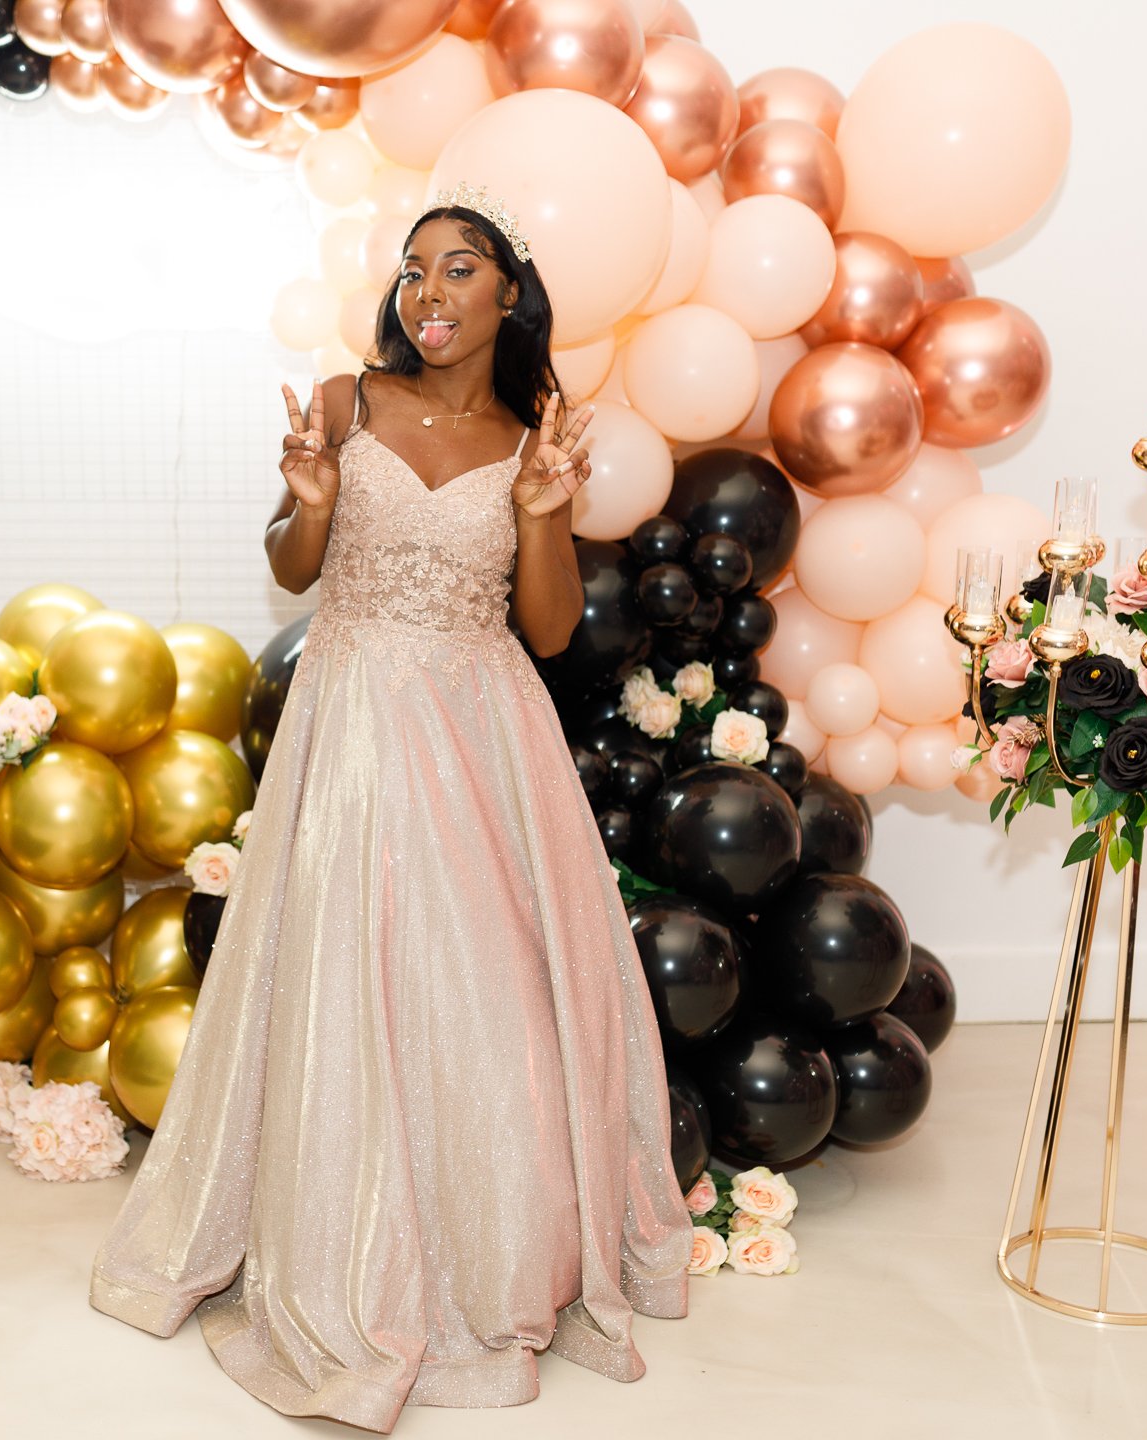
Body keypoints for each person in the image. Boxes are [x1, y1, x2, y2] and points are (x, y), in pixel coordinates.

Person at [89, 187, 689, 1433]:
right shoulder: (342, 402)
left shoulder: (538, 435)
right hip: (353, 721)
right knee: (349, 979)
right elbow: (294, 566)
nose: (428, 293)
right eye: (413, 271)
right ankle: (343, 1250)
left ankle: (494, 1260)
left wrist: (539, 514)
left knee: (488, 991)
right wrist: (308, 496)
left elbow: (554, 627)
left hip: (484, 731)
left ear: (507, 294)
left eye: (457, 269)